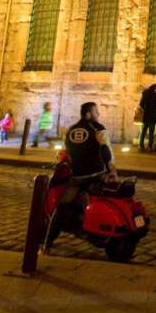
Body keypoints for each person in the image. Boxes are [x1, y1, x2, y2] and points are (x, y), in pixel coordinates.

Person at [43, 101, 117, 252]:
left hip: (76, 178)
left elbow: (65, 154)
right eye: (96, 111)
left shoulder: (70, 131)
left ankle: (46, 245)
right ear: (88, 114)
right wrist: (112, 170)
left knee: (61, 208)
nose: (98, 114)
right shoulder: (98, 128)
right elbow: (106, 150)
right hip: (97, 175)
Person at [138, 83, 156, 151]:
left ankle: (141, 146)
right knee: (151, 133)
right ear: (155, 88)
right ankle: (150, 147)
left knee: (143, 131)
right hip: (152, 116)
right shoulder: (155, 95)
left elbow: (141, 104)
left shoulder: (145, 93)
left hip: (145, 116)